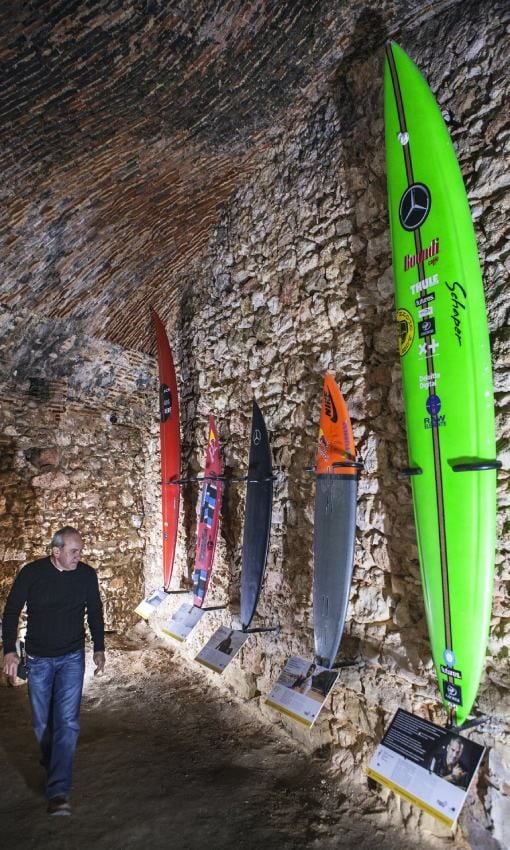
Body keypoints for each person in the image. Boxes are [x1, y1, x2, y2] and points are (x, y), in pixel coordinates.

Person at [2, 527, 105, 816]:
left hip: (72, 657)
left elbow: (95, 611)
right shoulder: (31, 574)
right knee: (42, 722)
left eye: (80, 551)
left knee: (68, 721)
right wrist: (8, 649)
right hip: (38, 659)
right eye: (74, 551)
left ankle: (58, 791)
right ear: (55, 552)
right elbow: (11, 612)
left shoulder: (86, 575)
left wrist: (99, 647)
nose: (78, 556)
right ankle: (51, 760)